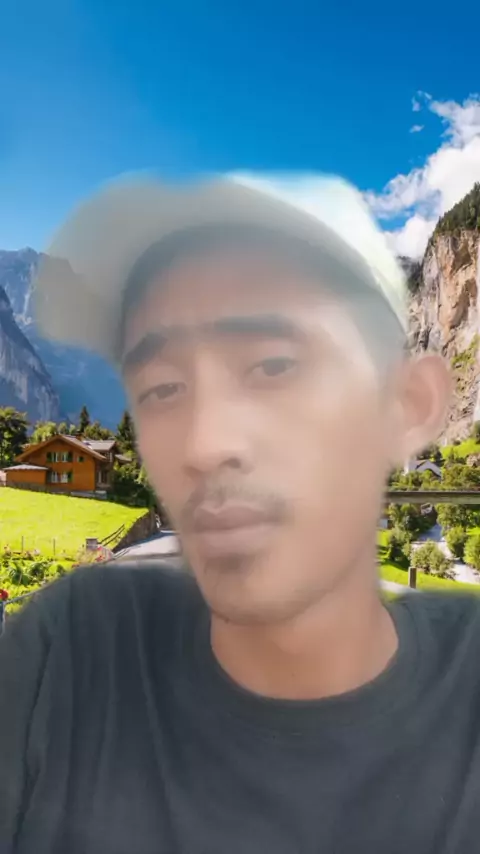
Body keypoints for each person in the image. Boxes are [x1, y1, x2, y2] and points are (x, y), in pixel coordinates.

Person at [1, 171, 478, 854]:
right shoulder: (64, 648)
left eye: (273, 367)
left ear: (407, 408)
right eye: (164, 388)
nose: (203, 445)